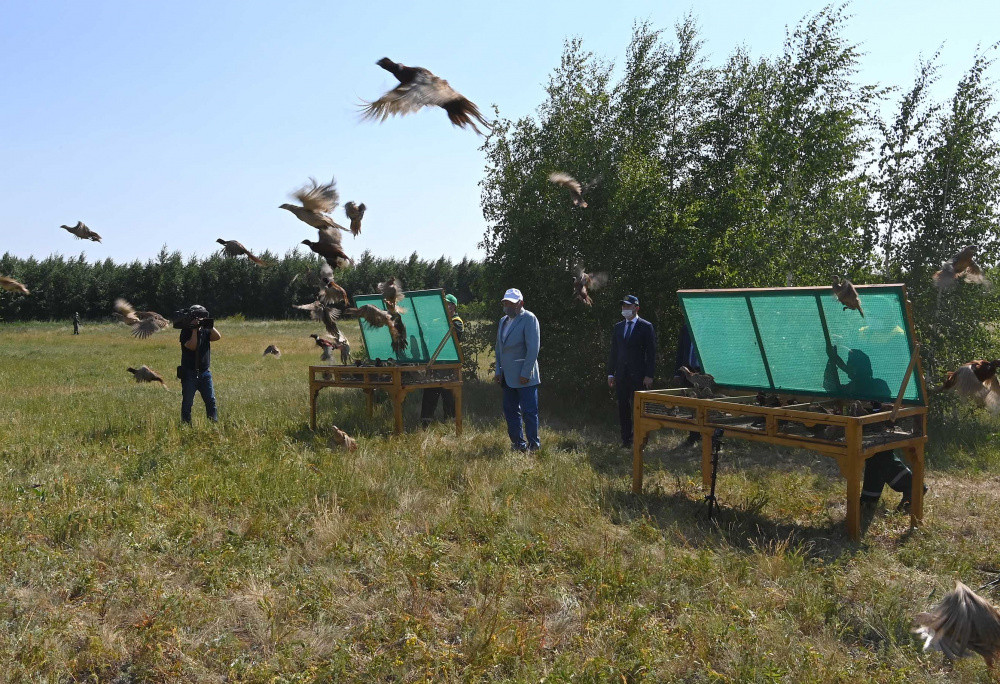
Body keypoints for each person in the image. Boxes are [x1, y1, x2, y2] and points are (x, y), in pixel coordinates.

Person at [830, 347, 920, 510]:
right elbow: (829, 385)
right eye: (849, 365)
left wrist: (872, 410)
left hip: (879, 430)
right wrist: (832, 362)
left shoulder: (878, 385)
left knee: (878, 456)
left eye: (853, 365)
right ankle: (908, 488)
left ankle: (872, 499)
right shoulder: (852, 386)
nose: (850, 369)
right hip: (863, 432)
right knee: (879, 458)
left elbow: (882, 409)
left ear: (862, 368)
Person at [607, 295, 656, 448]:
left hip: (639, 375)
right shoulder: (618, 327)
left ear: (636, 308)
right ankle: (626, 439)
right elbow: (614, 351)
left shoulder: (646, 326)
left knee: (639, 408)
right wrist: (610, 373)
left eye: (628, 306)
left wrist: (649, 375)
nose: (625, 309)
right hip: (621, 374)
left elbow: (651, 353)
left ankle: (641, 438)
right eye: (623, 306)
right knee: (623, 407)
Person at [494, 288, 541, 451]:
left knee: (529, 412)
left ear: (520, 303)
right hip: (507, 376)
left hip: (524, 376)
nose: (507, 306)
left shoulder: (529, 319)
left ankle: (534, 446)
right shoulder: (503, 321)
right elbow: (499, 348)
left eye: (511, 303)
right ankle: (518, 444)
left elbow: (533, 349)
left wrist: (525, 373)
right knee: (510, 411)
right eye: (505, 302)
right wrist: (498, 370)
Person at [421, 293, 465, 427]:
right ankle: (425, 423)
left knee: (449, 396)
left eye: (448, 303)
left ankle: (450, 423)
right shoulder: (436, 320)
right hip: (436, 362)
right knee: (429, 393)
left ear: (454, 306)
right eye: (444, 303)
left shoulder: (457, 321)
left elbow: (454, 335)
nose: (446, 306)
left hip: (450, 363)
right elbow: (430, 335)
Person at [179, 305, 221, 424]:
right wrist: (194, 330)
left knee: (211, 401)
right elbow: (192, 346)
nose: (200, 319)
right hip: (189, 372)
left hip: (204, 372)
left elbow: (217, 337)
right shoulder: (185, 331)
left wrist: (208, 325)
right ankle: (186, 425)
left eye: (202, 316)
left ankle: (213, 424)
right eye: (198, 316)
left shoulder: (206, 329)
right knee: (187, 402)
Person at [672, 323, 702, 446]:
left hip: (703, 372)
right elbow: (681, 350)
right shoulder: (686, 327)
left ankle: (707, 435)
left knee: (705, 403)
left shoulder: (710, 326)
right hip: (688, 370)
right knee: (691, 404)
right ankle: (693, 436)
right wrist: (677, 373)